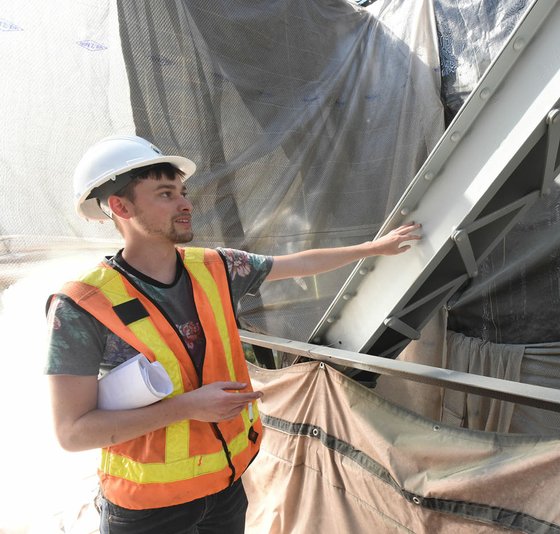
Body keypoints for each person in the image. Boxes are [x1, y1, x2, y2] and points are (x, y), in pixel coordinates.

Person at [45, 135, 421, 533]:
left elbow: (296, 264)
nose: (185, 203)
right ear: (121, 207)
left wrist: (373, 248)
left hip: (225, 489)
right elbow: (72, 431)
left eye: (183, 192)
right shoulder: (82, 306)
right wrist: (188, 407)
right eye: (166, 194)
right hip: (147, 510)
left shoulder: (217, 266)